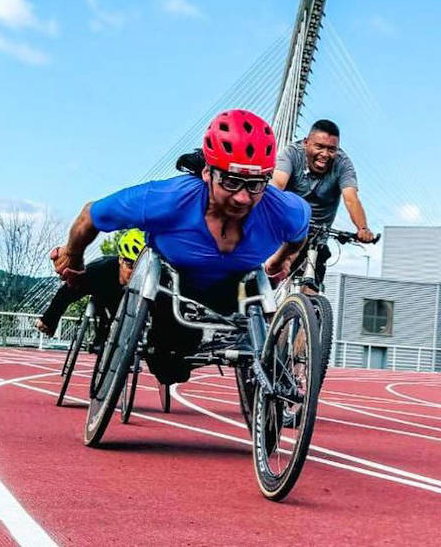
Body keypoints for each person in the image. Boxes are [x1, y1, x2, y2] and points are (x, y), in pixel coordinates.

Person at [51, 109, 311, 384]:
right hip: (173, 288)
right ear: (208, 173)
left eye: (256, 184)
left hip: (233, 288)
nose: (243, 197)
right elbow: (89, 216)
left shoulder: (283, 209)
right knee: (169, 370)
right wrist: (74, 258)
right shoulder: (167, 199)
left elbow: (299, 233)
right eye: (232, 182)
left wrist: (284, 259)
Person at [270, 119, 374, 289]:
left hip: (318, 236)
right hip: (288, 230)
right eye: (319, 147)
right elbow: (277, 186)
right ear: (306, 143)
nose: (325, 154)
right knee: (269, 281)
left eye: (331, 149)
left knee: (312, 290)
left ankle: (308, 311)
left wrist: (362, 228)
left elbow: (351, 198)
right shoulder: (291, 154)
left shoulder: (343, 164)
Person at [35, 229, 145, 348]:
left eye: (140, 269)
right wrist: (49, 320)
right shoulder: (100, 271)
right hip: (104, 295)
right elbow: (66, 292)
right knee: (105, 325)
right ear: (121, 260)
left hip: (131, 304)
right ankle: (101, 341)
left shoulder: (154, 277)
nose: (134, 273)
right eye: (130, 267)